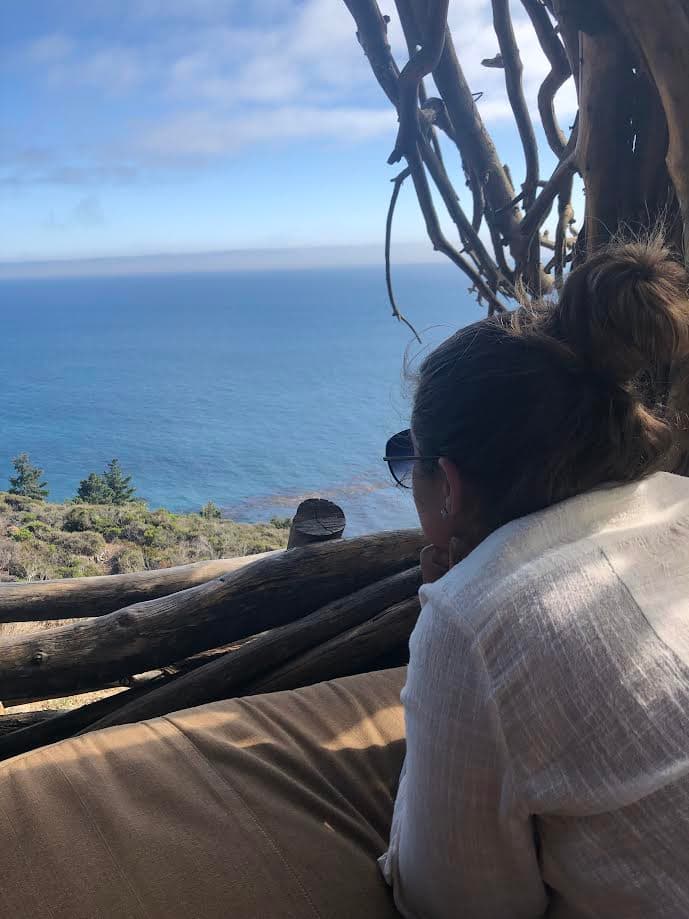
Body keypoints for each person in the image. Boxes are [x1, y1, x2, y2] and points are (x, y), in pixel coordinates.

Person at [379, 235, 689, 917]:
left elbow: (451, 900)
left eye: (412, 464)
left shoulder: (476, 625)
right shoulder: (677, 508)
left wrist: (460, 603)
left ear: (448, 487)